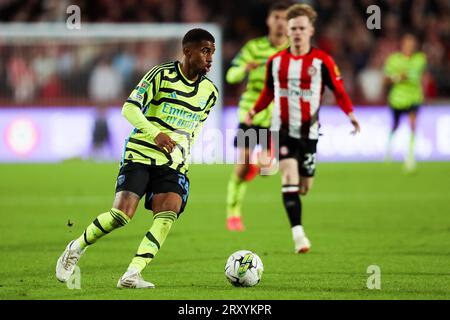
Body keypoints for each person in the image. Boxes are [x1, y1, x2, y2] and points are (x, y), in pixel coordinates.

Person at [55, 28, 218, 289]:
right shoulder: (161, 75)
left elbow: (195, 128)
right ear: (188, 51)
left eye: (212, 52)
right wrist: (156, 134)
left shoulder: (210, 91)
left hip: (172, 163)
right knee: (121, 215)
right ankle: (75, 247)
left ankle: (132, 273)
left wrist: (184, 156)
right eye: (205, 51)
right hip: (140, 153)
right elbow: (129, 107)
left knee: (168, 213)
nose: (210, 58)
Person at [245, 4, 360, 253]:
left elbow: (338, 91)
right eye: (293, 28)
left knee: (304, 187)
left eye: (301, 28)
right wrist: (254, 111)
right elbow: (268, 92)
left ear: (310, 31)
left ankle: (293, 186)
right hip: (282, 129)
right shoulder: (276, 62)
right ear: (287, 31)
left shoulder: (322, 61)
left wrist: (350, 115)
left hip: (309, 132)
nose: (296, 32)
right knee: (288, 177)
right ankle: (299, 236)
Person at [225, 2, 290, 231]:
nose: (280, 22)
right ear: (269, 20)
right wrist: (244, 69)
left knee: (267, 168)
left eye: (285, 18)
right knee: (241, 168)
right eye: (277, 17)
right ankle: (233, 212)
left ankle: (258, 164)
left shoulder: (294, 49)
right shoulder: (253, 48)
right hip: (251, 113)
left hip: (277, 117)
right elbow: (231, 75)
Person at [384, 33, 426, 172]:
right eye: (407, 43)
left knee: (413, 124)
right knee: (395, 125)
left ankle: (410, 156)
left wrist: (399, 76)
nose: (409, 46)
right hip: (397, 98)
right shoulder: (393, 59)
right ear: (402, 45)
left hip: (414, 97)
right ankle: (389, 149)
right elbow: (386, 79)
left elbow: (413, 74)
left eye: (412, 44)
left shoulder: (420, 59)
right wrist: (397, 76)